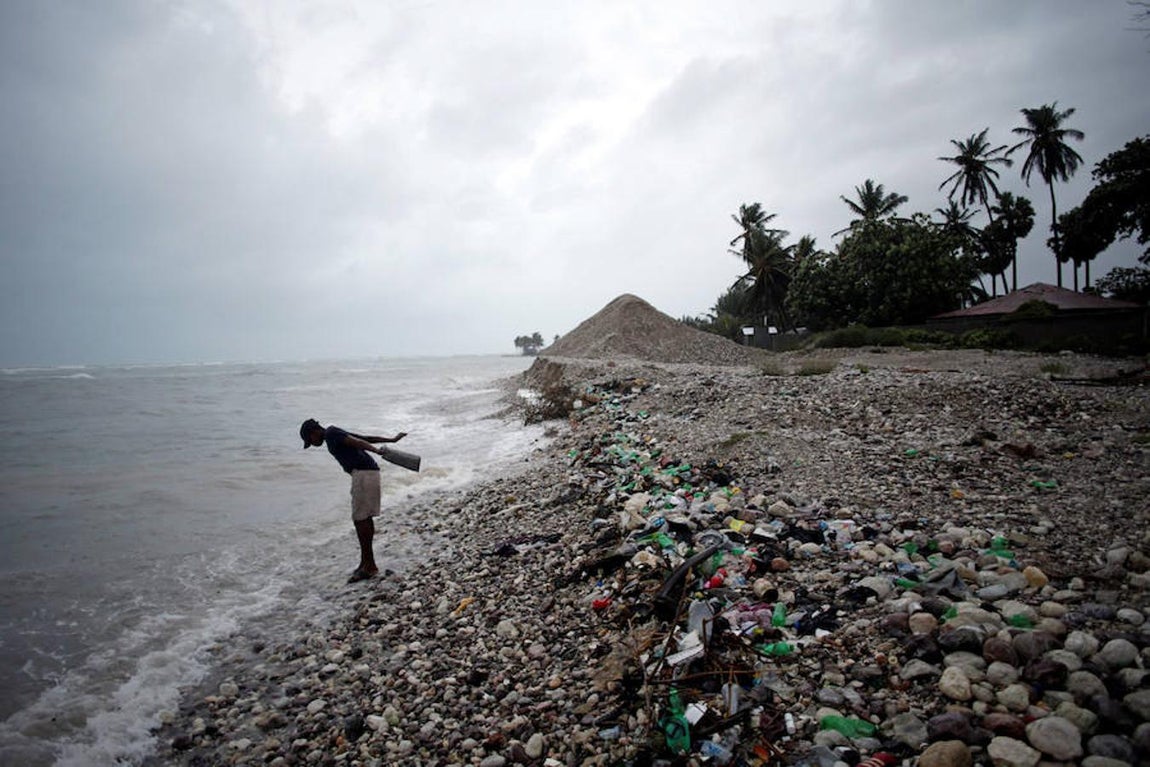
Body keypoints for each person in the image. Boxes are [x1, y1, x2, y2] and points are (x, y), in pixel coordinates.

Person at [299, 418, 408, 583]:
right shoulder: (333, 433)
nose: (312, 444)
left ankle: (369, 567)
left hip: (363, 474)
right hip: (368, 473)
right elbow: (364, 438)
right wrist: (391, 440)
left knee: (360, 519)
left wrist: (376, 450)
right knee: (363, 519)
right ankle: (367, 563)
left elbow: (358, 442)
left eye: (310, 440)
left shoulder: (331, 433)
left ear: (314, 432)